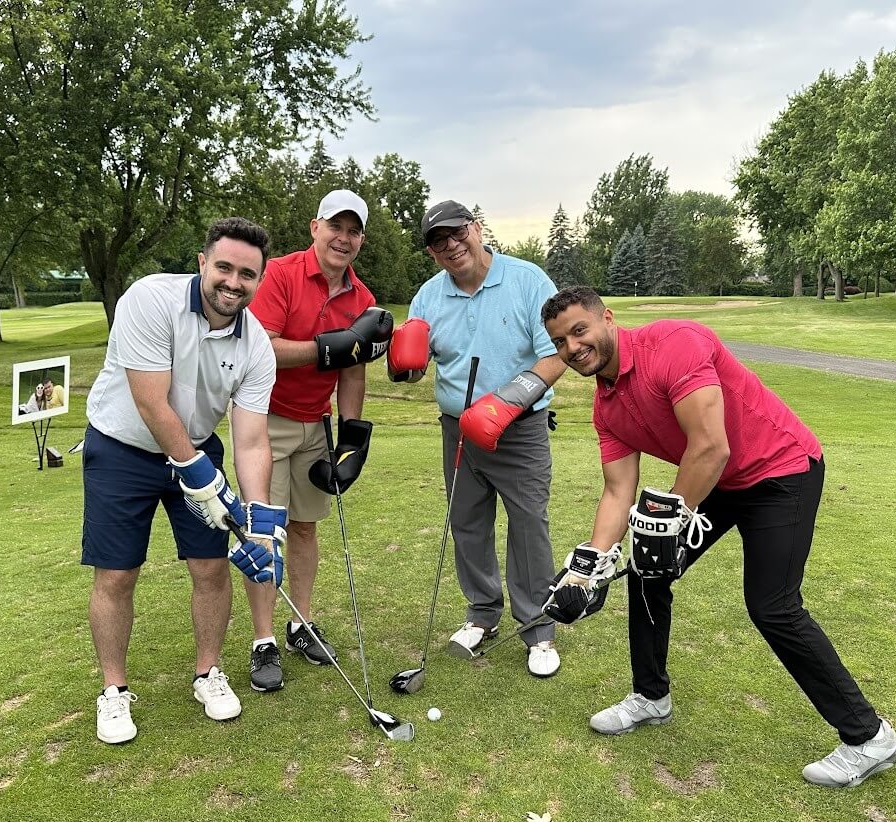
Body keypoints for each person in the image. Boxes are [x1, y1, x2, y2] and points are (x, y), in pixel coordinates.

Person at [539, 286, 896, 787]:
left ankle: (869, 737)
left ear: (607, 318)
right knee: (647, 572)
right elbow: (618, 491)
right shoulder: (607, 409)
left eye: (580, 330)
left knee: (773, 606)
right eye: (560, 342)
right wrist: (589, 566)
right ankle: (651, 696)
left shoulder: (675, 344)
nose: (573, 347)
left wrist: (669, 520)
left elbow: (711, 446)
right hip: (721, 482)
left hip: (782, 471)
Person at [82, 217, 287, 745]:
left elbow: (251, 440)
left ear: (259, 280)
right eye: (224, 267)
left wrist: (259, 520)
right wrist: (202, 478)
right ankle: (113, 689)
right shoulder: (150, 300)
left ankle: (207, 672)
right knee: (117, 574)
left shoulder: (257, 345)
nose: (233, 282)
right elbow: (151, 401)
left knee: (212, 568)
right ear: (202, 263)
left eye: (247, 274)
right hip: (122, 448)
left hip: (197, 446)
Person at [387, 200, 565, 677]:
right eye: (437, 242)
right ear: (432, 253)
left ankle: (537, 627)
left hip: (520, 428)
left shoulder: (527, 281)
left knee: (528, 524)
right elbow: (418, 361)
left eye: (456, 233)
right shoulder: (428, 296)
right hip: (457, 428)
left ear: (476, 228)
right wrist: (402, 364)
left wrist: (507, 401)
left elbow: (557, 354)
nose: (451, 245)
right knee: (466, 521)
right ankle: (482, 613)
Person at [240, 189, 391, 693]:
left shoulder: (361, 299)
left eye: (353, 231)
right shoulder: (279, 274)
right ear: (315, 227)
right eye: (335, 227)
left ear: (361, 240)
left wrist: (351, 436)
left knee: (305, 529)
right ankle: (263, 640)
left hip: (315, 425)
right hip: (263, 420)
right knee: (266, 529)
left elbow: (353, 372)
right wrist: (333, 347)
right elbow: (263, 350)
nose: (343, 239)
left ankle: (300, 623)